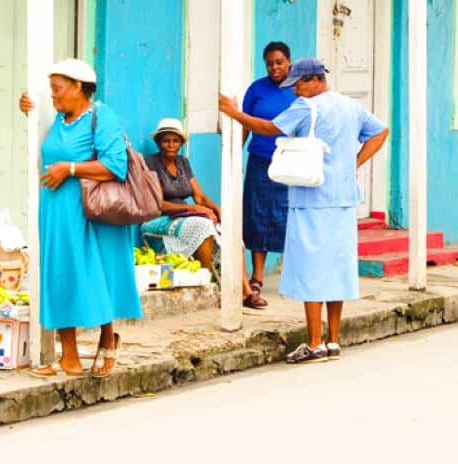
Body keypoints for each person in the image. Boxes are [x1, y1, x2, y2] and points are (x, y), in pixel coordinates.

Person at [219, 57, 390, 364]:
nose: (295, 91)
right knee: (337, 268)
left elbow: (269, 128)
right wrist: (354, 163)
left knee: (312, 269)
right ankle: (333, 341)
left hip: (312, 198)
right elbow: (380, 132)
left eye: (297, 84)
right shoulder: (351, 107)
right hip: (344, 198)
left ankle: (314, 344)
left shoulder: (307, 107)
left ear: (314, 80)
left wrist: (234, 113)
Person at [18, 59, 141, 378]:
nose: (53, 96)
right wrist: (29, 111)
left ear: (78, 88)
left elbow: (116, 165)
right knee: (62, 275)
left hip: (93, 209)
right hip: (58, 211)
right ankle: (68, 354)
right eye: (51, 90)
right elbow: (46, 140)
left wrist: (69, 169)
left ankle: (107, 339)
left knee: (98, 273)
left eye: (58, 90)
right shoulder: (60, 119)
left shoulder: (101, 117)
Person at [141, 119, 265, 307]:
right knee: (204, 225)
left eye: (175, 141)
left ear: (181, 144)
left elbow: (198, 196)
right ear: (158, 142)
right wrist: (193, 209)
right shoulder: (151, 164)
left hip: (184, 215)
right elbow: (159, 204)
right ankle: (207, 282)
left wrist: (217, 209)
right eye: (166, 140)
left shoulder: (183, 162)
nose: (170, 145)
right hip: (158, 218)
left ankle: (245, 291)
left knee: (229, 230)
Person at [240, 42, 296, 304]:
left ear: (289, 62)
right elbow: (244, 124)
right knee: (257, 215)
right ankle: (258, 276)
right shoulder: (256, 89)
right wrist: (234, 156)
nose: (275, 67)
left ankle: (292, 273)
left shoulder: (299, 89)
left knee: (289, 215)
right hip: (260, 160)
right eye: (270, 63)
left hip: (291, 162)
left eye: (280, 62)